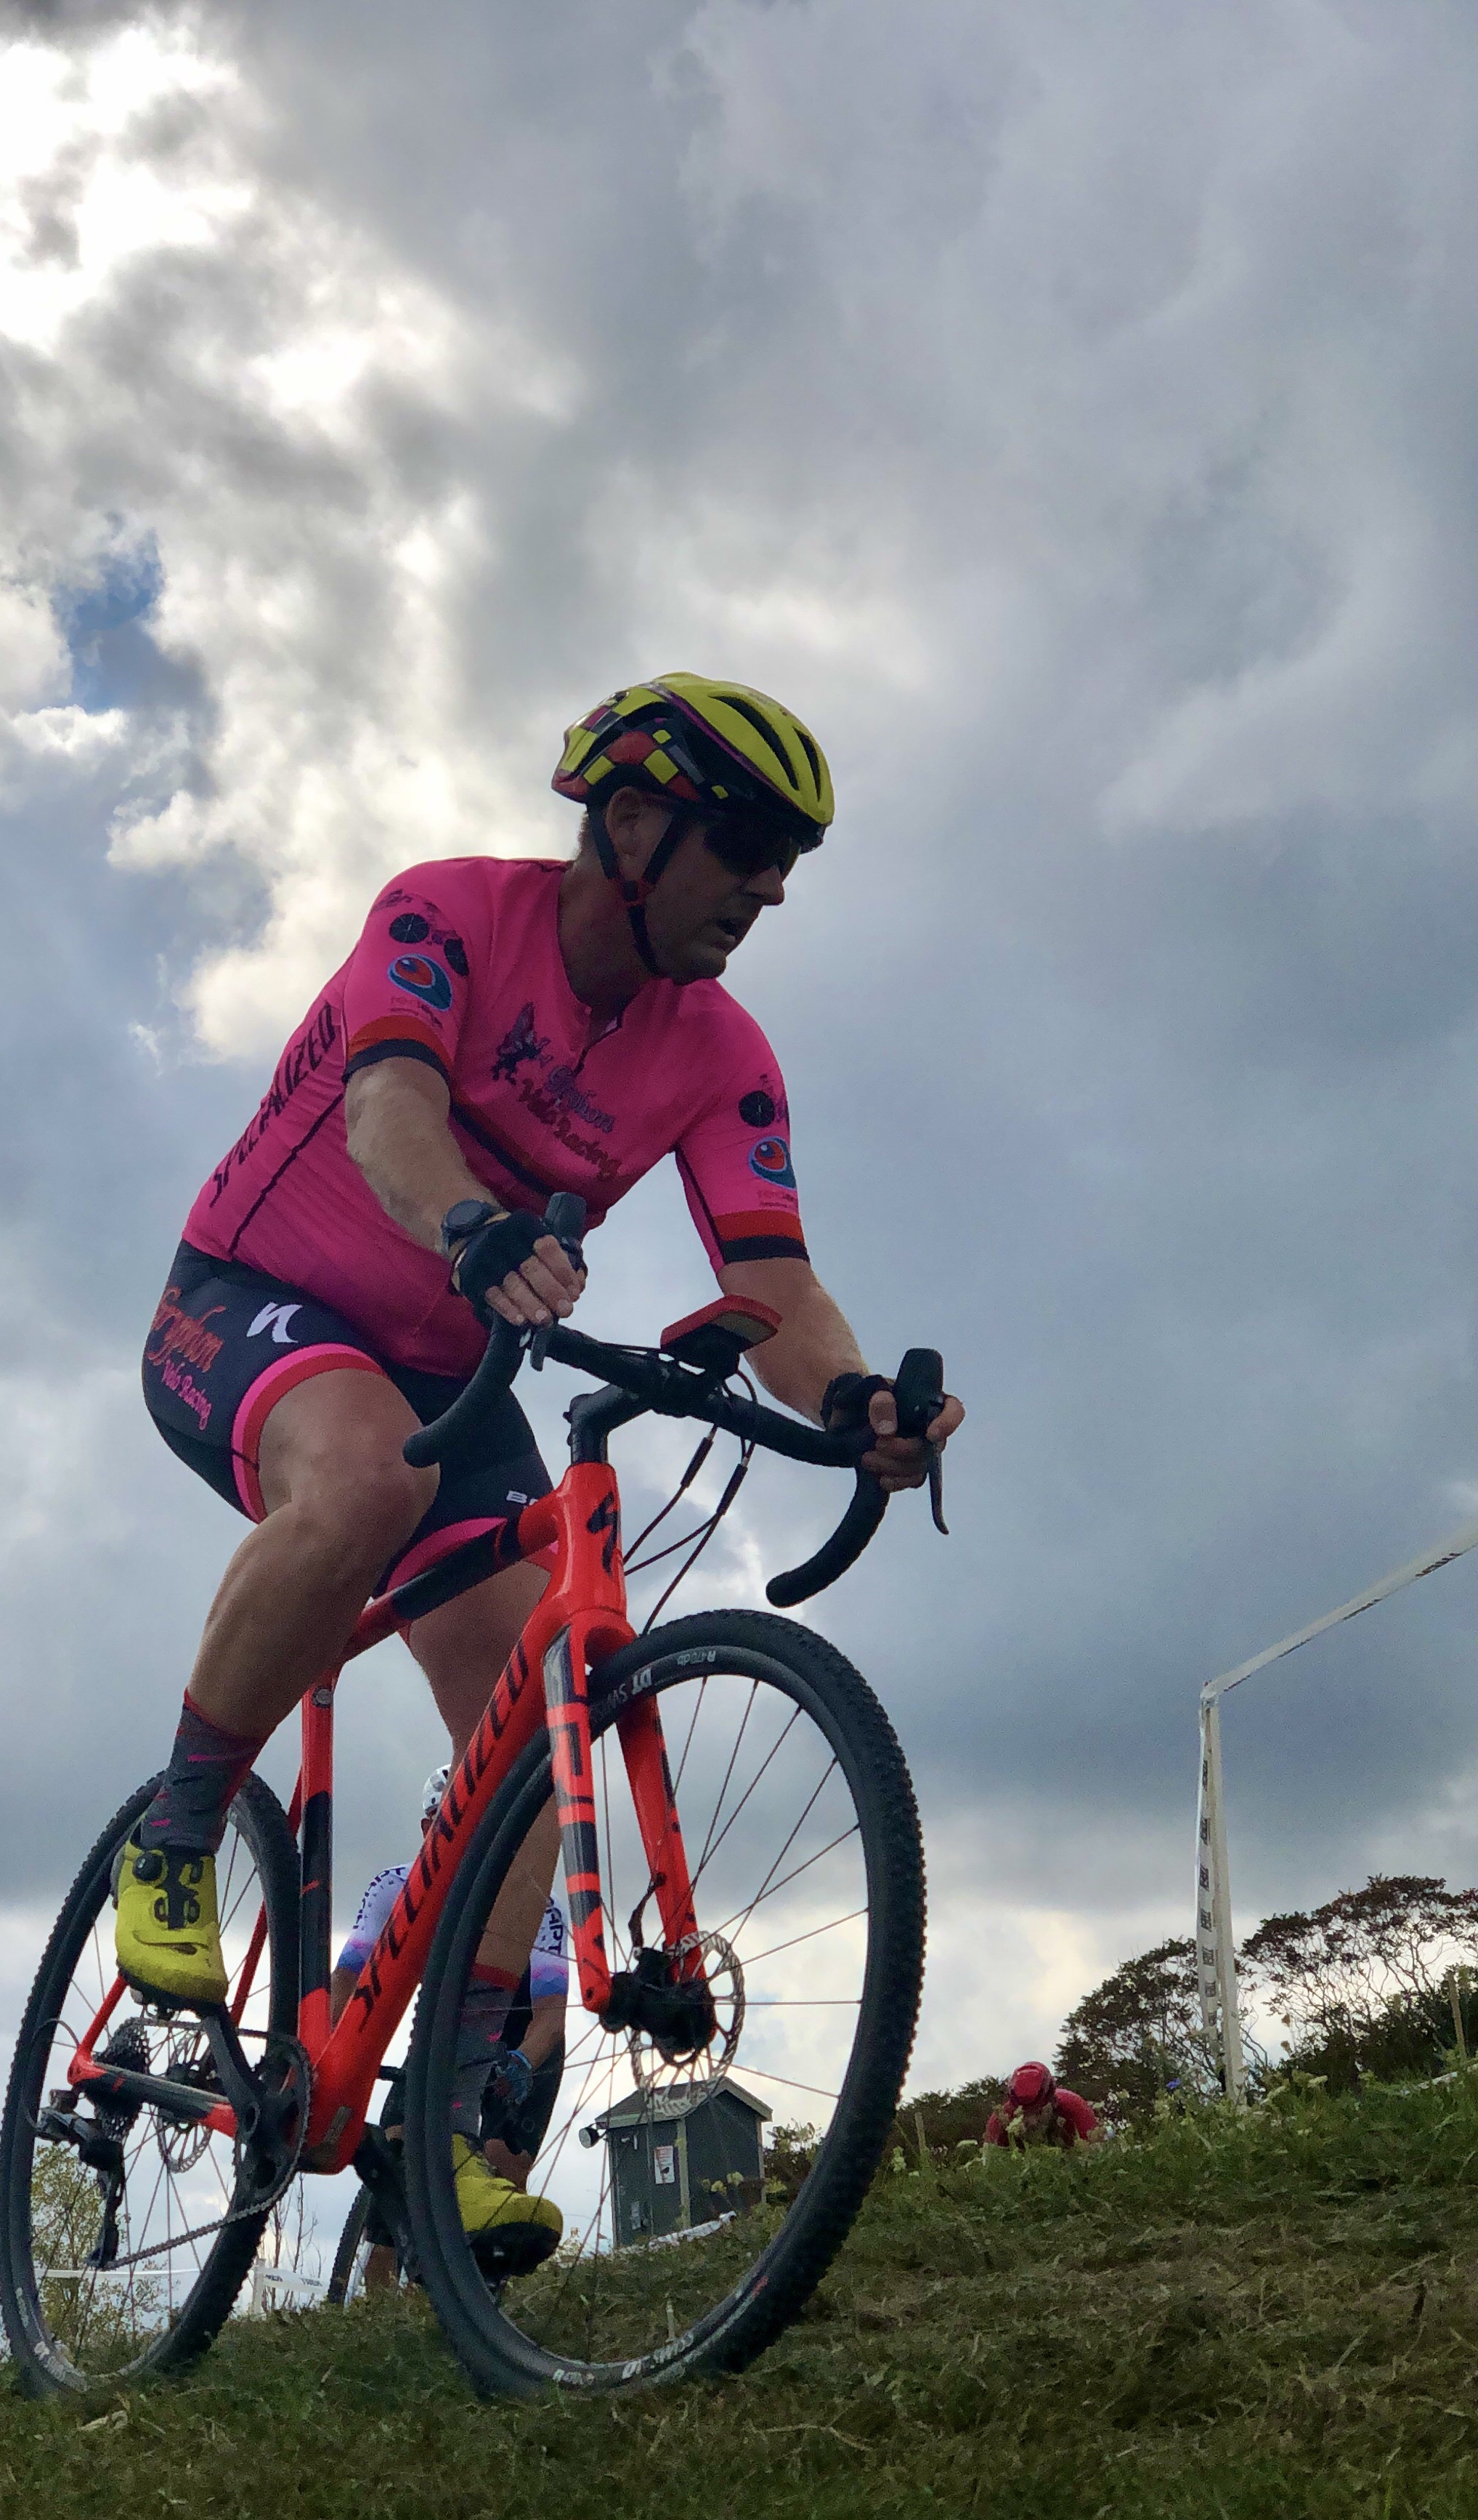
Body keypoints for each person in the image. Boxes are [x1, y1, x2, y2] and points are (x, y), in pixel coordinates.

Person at [119, 673, 965, 2258]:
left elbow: (771, 1278)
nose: (771, 889)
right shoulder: (446, 914)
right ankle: (175, 1833)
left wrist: (856, 1401)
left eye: (791, 860)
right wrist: (469, 1222)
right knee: (364, 1477)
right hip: (251, 1299)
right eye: (746, 847)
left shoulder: (720, 1049)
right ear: (631, 827)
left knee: (537, 1722)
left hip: (456, 1359)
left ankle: (442, 2123)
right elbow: (388, 1110)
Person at [330, 1767, 572, 2289]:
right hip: (446, 2030)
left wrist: (522, 2062)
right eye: (455, 1822)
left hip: (524, 2040)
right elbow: (348, 1979)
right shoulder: (396, 1887)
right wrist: (335, 2059)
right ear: (428, 1829)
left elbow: (551, 2019)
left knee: (501, 2165)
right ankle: (379, 2307)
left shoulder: (541, 1909)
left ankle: (483, 2294)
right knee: (400, 2159)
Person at [984, 2062, 1100, 2149]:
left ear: (1052, 2101)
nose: (1032, 2122)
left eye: (1039, 2112)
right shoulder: (1000, 2120)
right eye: (1023, 2115)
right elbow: (989, 2164)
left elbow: (1097, 2153)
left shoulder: (1074, 2107)